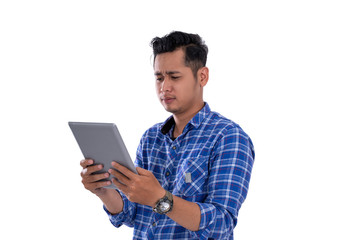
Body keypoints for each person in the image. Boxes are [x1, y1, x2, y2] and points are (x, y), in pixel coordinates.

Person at [80, 31, 255, 239]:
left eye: (174, 77)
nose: (164, 87)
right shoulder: (151, 138)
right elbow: (133, 213)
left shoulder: (229, 138)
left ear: (202, 76)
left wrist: (160, 199)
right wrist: (103, 191)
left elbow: (221, 224)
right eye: (159, 78)